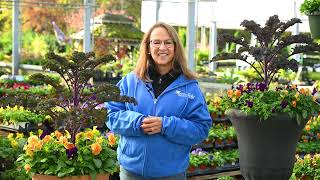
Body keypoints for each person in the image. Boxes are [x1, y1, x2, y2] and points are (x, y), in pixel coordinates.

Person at [105, 22, 212, 180]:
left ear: (175, 48)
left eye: (168, 42)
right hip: (131, 172)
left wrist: (165, 125)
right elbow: (110, 115)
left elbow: (201, 129)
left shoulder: (189, 88)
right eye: (156, 42)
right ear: (148, 47)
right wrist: (138, 122)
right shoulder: (130, 82)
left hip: (171, 174)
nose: (162, 47)